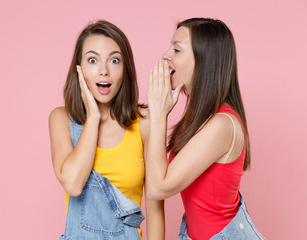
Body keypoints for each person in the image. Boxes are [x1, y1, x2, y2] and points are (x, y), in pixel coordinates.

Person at [145, 18, 265, 239]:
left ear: (203, 61)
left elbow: (157, 187)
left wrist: (159, 115)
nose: (166, 55)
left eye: (176, 49)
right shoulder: (198, 120)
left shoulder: (221, 125)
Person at [48, 20, 164, 240]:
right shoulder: (61, 119)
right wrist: (92, 117)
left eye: (114, 60)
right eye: (93, 60)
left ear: (125, 69)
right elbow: (73, 184)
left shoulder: (144, 122)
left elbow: (155, 207)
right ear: (79, 70)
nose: (104, 71)